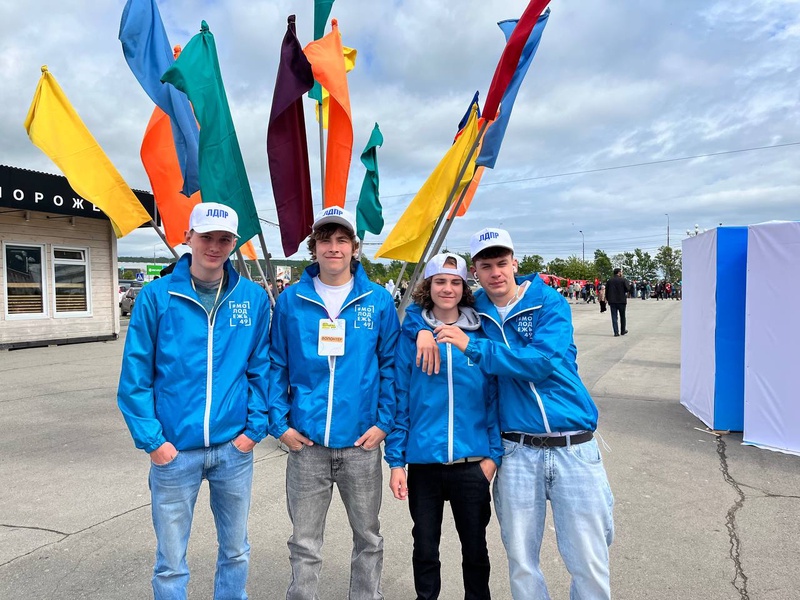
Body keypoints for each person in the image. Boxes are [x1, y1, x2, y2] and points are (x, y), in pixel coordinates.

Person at [412, 228, 614, 600]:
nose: (496, 273)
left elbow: (541, 363)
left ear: (515, 263)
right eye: (486, 266)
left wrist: (473, 347)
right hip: (518, 450)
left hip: (573, 446)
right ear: (476, 272)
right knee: (521, 562)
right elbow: (427, 306)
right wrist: (421, 332)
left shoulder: (547, 301)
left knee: (588, 560)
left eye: (502, 263)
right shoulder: (477, 310)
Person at [117, 203, 271, 599]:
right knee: (170, 563)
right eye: (206, 237)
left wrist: (253, 432)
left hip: (233, 450)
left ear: (234, 243)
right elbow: (135, 377)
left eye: (224, 239)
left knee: (236, 551)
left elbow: (261, 368)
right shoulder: (157, 297)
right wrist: (154, 442)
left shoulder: (252, 298)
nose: (214, 246)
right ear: (188, 237)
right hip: (174, 452)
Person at [269, 206, 400, 600]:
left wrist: (384, 422)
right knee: (304, 543)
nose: (334, 247)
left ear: (354, 247)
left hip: (361, 443)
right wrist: (280, 425)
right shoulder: (291, 301)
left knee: (368, 538)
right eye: (325, 240)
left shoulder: (378, 300)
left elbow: (391, 366)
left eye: (342, 239)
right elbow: (276, 364)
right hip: (307, 445)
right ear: (314, 247)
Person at [386, 253, 502, 600]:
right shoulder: (411, 336)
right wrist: (396, 462)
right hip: (424, 464)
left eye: (455, 282)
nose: (447, 289)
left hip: (472, 464)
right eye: (440, 281)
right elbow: (401, 399)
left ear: (465, 288)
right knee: (424, 547)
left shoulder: (481, 333)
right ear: (428, 286)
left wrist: (492, 457)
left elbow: (494, 399)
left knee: (475, 550)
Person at [606, 267, 631, 337]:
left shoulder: (609, 281)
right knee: (622, 316)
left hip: (612, 301)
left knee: (614, 317)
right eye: (621, 272)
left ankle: (616, 332)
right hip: (621, 300)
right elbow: (628, 289)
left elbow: (607, 291)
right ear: (619, 273)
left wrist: (608, 299)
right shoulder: (623, 280)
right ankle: (623, 330)